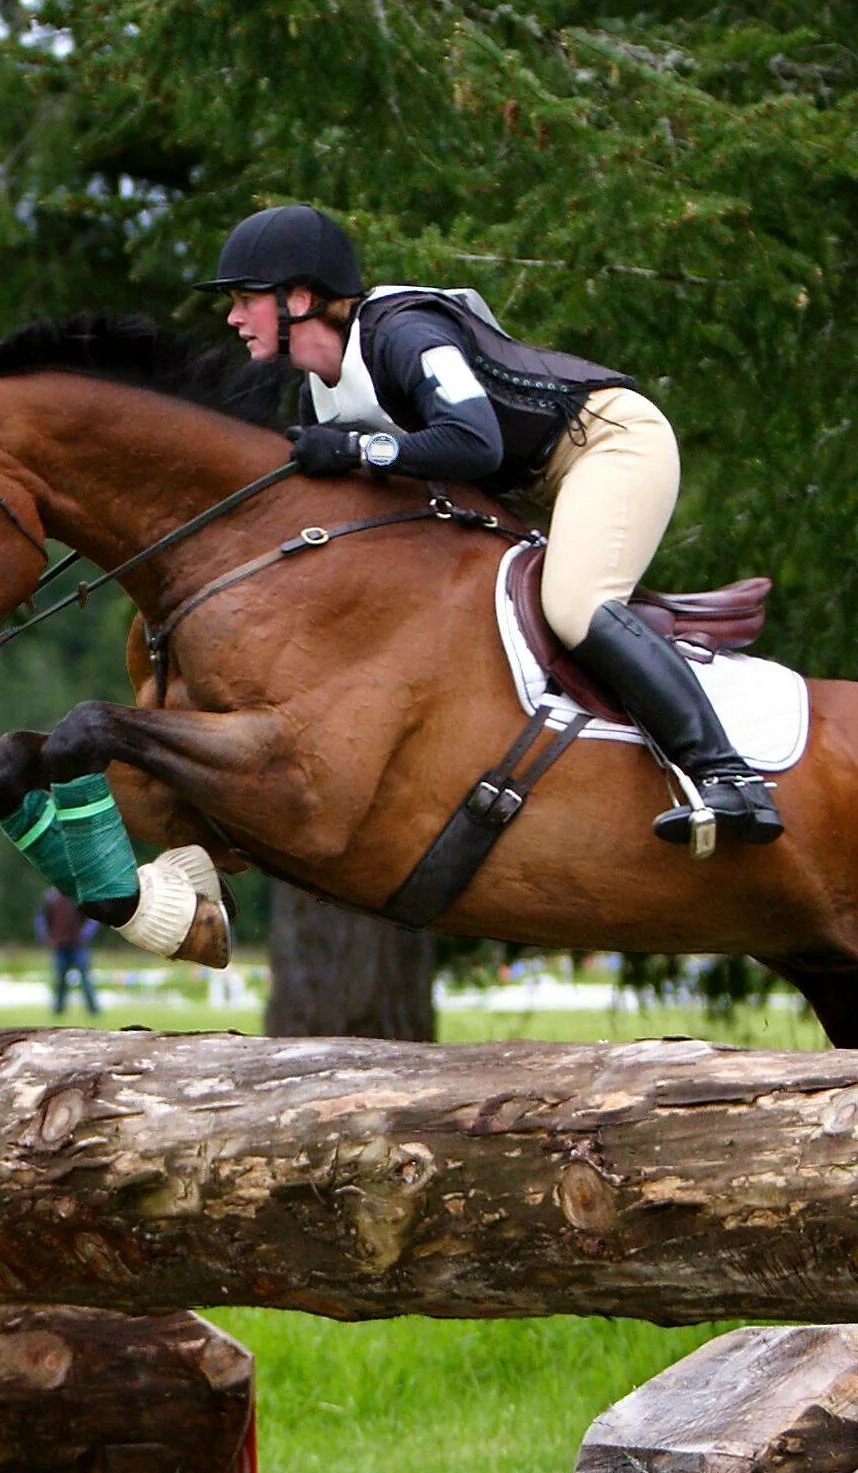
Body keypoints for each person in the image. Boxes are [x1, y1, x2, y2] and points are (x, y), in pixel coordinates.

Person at [196, 204, 782, 846]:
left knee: (574, 603)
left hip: (608, 445)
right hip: (535, 482)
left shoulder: (403, 334)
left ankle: (730, 779)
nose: (232, 318)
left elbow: (476, 444)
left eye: (245, 299)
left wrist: (360, 451)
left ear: (299, 298)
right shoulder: (322, 389)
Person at [40, 887, 101, 1017]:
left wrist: (85, 935)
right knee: (60, 979)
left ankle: (93, 1009)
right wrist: (46, 937)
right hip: (59, 945)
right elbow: (43, 919)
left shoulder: (79, 896)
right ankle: (58, 1009)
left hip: (78, 945)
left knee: (85, 978)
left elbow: (92, 919)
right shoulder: (51, 898)